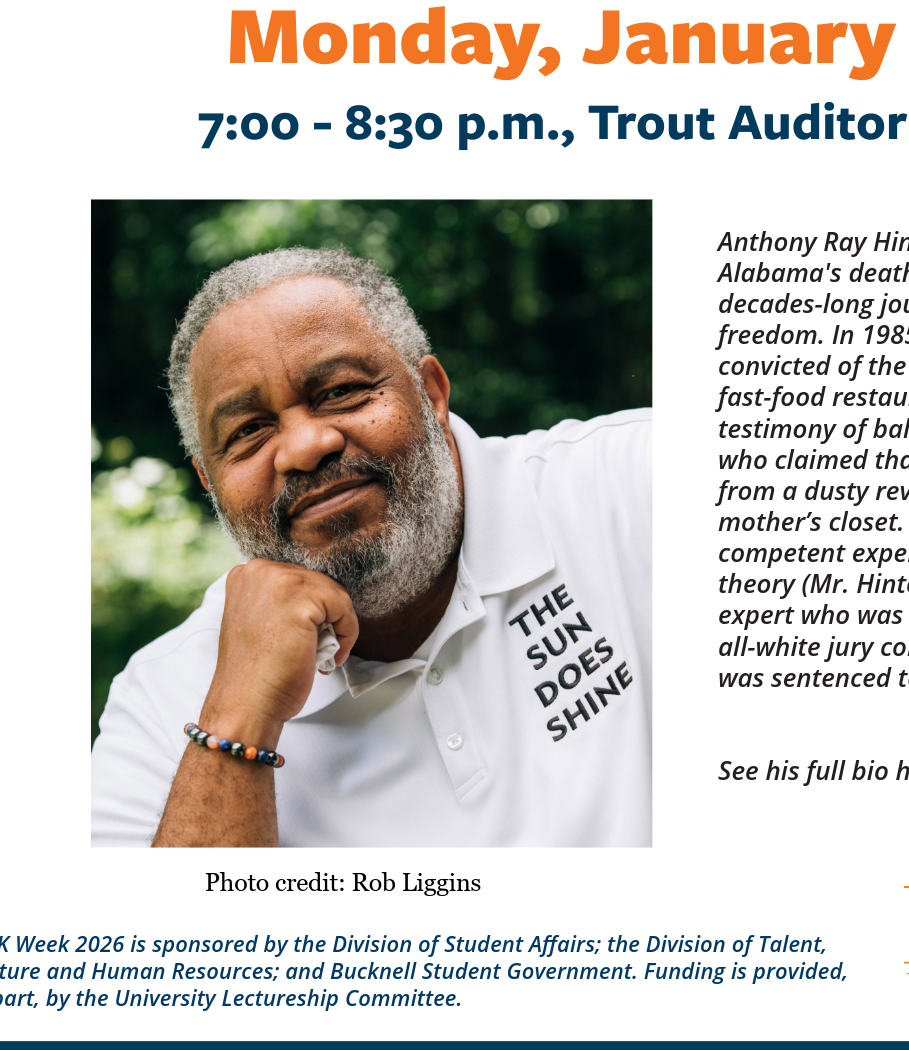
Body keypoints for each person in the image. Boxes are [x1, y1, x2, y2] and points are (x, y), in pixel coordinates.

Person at [90, 248, 652, 847]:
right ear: (209, 481)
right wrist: (238, 717)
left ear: (430, 392)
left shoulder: (633, 487)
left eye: (339, 391)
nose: (304, 446)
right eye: (249, 431)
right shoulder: (163, 697)